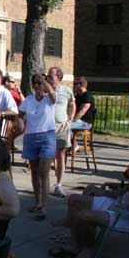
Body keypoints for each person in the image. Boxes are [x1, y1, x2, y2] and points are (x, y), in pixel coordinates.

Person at [49, 138, 129, 258]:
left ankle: (87, 251)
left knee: (83, 215)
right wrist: (108, 190)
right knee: (74, 199)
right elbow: (127, 192)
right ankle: (75, 246)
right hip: (119, 205)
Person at [19, 73, 57, 215]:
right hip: (31, 136)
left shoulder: (49, 99)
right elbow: (20, 114)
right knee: (34, 171)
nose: (37, 85)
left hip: (47, 136)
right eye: (35, 82)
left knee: (44, 171)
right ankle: (37, 201)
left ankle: (44, 205)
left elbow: (52, 92)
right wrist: (20, 122)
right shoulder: (28, 99)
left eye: (39, 83)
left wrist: (44, 80)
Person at [48, 67, 75, 198]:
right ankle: (44, 183)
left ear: (58, 77)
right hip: (47, 126)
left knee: (61, 154)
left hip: (62, 126)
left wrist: (71, 118)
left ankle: (59, 184)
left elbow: (72, 104)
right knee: (46, 156)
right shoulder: (45, 89)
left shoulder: (66, 90)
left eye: (51, 75)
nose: (48, 77)